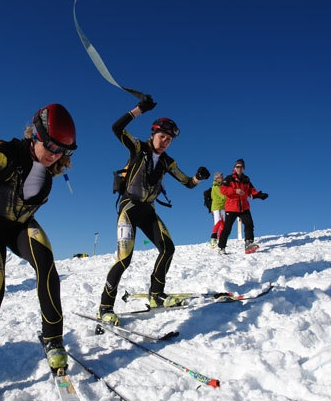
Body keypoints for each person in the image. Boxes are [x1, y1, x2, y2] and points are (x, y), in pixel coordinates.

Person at [0, 103, 77, 401]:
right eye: (49, 144)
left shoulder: (48, 177)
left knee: (46, 262)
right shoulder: (3, 153)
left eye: (61, 149)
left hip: (17, 225)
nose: (53, 153)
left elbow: (23, 209)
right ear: (36, 133)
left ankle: (53, 340)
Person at [98, 95, 210, 325]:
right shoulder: (138, 147)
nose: (165, 141)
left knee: (167, 248)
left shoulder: (168, 162)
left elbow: (187, 182)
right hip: (129, 208)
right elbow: (116, 128)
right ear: (153, 134)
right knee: (124, 259)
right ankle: (105, 307)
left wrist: (198, 178)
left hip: (147, 210)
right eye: (162, 136)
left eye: (169, 139)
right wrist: (139, 109)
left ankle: (156, 295)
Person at [218, 159, 268, 255]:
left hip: (244, 207)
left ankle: (248, 243)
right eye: (237, 166)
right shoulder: (229, 179)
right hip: (231, 207)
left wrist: (259, 195)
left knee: (249, 224)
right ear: (234, 168)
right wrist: (235, 191)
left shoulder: (246, 179)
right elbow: (223, 190)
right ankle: (221, 248)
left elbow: (251, 191)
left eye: (241, 167)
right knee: (227, 228)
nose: (239, 168)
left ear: (243, 168)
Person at [210, 172, 226, 248]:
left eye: (222, 177)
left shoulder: (221, 186)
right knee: (218, 222)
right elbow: (222, 196)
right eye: (221, 177)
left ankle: (220, 238)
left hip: (223, 207)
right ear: (217, 179)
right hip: (217, 207)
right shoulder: (215, 187)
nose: (222, 179)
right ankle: (213, 239)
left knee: (223, 223)